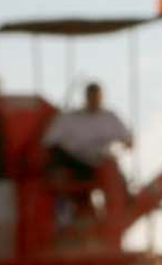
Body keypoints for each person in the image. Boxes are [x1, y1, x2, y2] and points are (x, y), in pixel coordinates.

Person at [43, 82, 134, 223]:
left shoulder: (109, 117)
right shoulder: (70, 118)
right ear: (86, 97)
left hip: (101, 163)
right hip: (74, 163)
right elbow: (49, 142)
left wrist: (124, 145)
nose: (95, 100)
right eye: (92, 96)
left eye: (97, 97)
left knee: (112, 172)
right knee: (77, 194)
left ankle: (125, 203)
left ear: (101, 97)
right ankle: (77, 214)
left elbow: (128, 140)